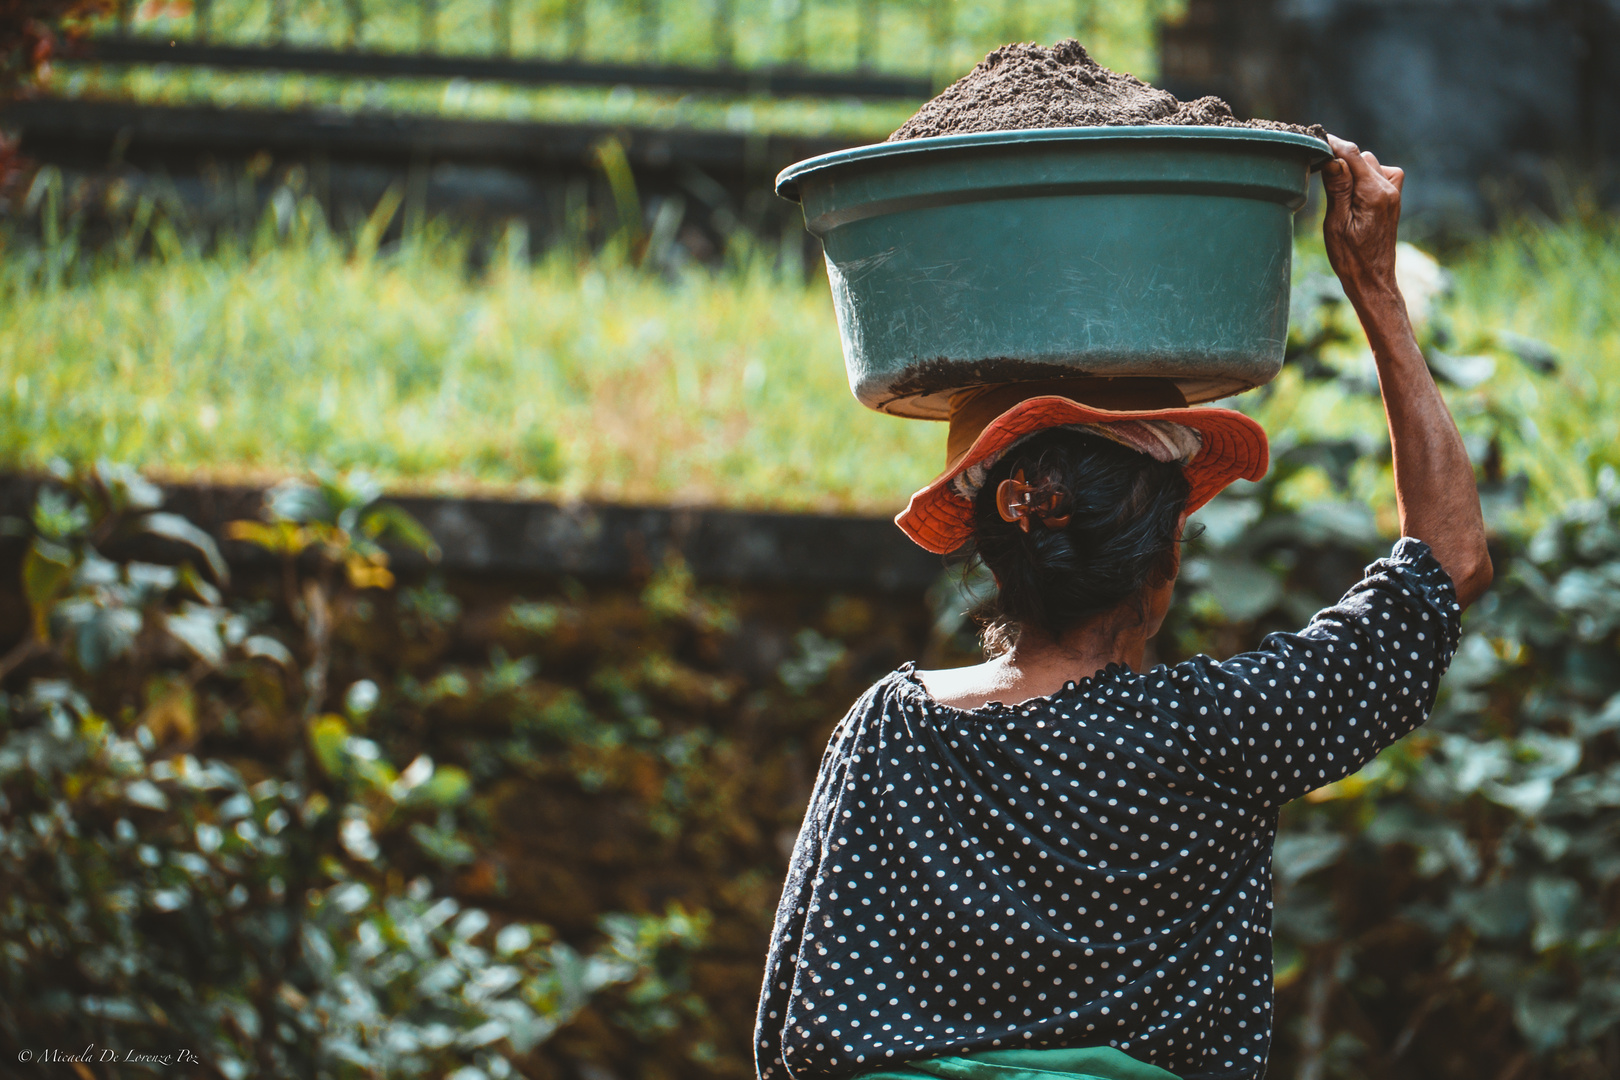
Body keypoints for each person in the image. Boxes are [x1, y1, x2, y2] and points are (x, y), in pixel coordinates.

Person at [753, 133, 1492, 1080]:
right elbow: (1452, 557)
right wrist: (1375, 287)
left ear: (989, 549)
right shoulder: (1223, 733)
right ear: (1163, 565)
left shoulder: (889, 735)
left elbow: (796, 1040)